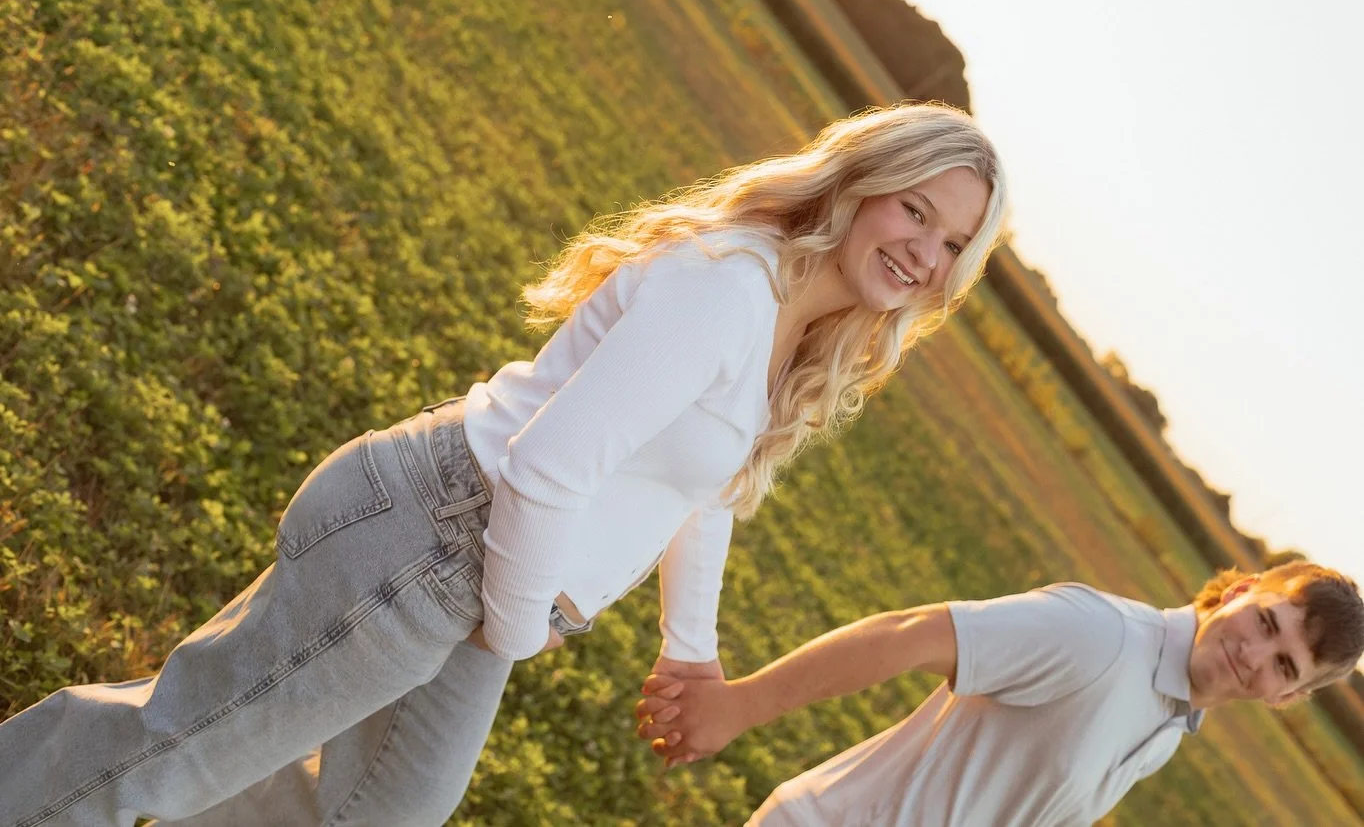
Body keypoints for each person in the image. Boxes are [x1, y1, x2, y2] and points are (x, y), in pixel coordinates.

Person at [0, 102, 1007, 826]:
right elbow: (547, 466)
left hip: (479, 574)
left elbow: (701, 494)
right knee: (181, 740)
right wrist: (521, 626)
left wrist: (688, 648)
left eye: (951, 240)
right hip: (441, 535)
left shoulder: (791, 329)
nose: (924, 250)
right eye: (913, 210)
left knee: (382, 804)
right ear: (860, 183)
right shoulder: (728, 292)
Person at [634, 561, 1364, 827]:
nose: (1254, 654)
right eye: (1265, 622)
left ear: (1287, 697)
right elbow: (911, 633)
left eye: (1285, 665)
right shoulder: (1102, 634)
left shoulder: (1171, 724)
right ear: (1238, 591)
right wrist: (740, 705)